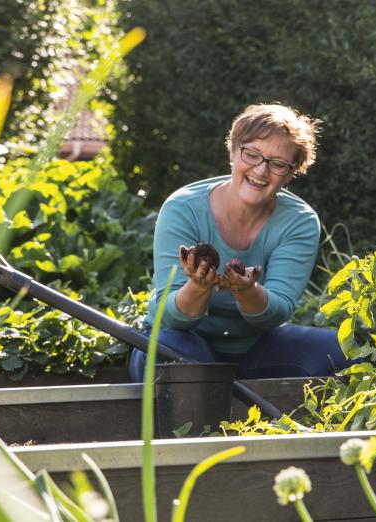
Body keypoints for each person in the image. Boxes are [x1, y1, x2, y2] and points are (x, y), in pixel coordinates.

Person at [129, 103, 349, 381]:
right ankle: (194, 419)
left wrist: (247, 291)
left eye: (278, 164)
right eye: (252, 154)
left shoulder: (299, 222)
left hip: (256, 347)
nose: (261, 171)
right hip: (184, 339)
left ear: (292, 172)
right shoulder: (183, 208)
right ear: (233, 151)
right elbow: (171, 319)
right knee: (168, 354)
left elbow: (277, 311)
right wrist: (198, 286)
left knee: (346, 351)